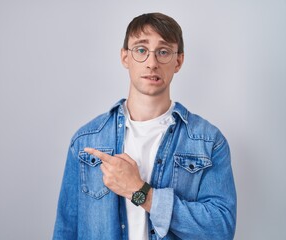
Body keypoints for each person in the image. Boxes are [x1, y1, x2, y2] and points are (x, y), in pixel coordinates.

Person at [52, 12, 236, 240]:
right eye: (141, 50)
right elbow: (66, 231)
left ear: (178, 61)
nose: (152, 63)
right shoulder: (86, 141)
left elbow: (221, 230)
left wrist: (140, 192)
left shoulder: (208, 141)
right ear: (125, 57)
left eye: (163, 52)